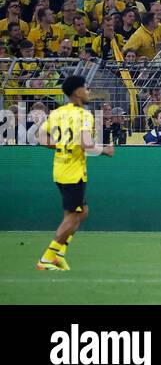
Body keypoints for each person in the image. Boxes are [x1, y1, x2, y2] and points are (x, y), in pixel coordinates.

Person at [34, 75, 114, 270]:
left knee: (81, 212)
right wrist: (105, 150)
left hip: (60, 168)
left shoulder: (57, 113)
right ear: (77, 92)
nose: (89, 92)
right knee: (72, 216)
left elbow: (40, 137)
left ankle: (60, 253)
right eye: (86, 89)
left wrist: (61, 145)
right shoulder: (84, 115)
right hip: (73, 172)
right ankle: (47, 258)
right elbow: (85, 144)